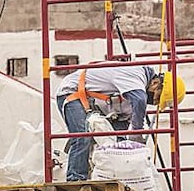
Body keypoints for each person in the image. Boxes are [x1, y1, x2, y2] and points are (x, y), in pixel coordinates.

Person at [55, 65, 185, 181]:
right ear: (155, 83)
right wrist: (137, 134)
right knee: (83, 137)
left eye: (158, 103)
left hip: (91, 103)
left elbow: (119, 132)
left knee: (112, 145)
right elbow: (139, 100)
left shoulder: (132, 101)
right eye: (157, 97)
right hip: (72, 92)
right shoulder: (136, 75)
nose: (154, 102)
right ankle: (76, 180)